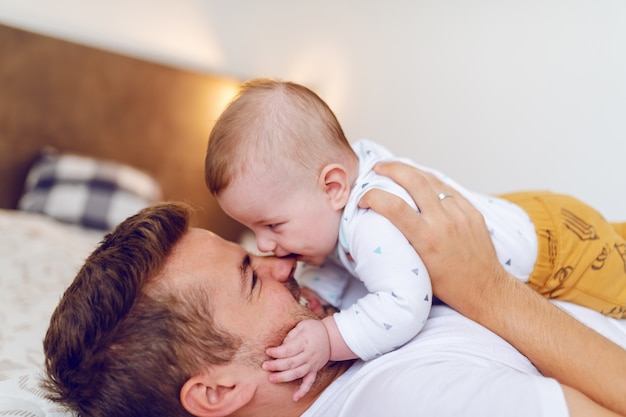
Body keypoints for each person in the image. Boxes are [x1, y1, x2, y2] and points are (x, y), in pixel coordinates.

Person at [42, 166, 626, 417]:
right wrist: (487, 291)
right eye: (250, 275)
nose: (279, 263)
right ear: (218, 391)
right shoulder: (407, 402)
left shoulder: (341, 339)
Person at [204, 78, 626, 399]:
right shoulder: (334, 204)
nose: (262, 245)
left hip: (560, 251)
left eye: (273, 225)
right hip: (529, 214)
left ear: (333, 186)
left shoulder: (372, 222)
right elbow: (337, 269)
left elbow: (405, 303)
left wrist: (328, 337)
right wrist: (316, 298)